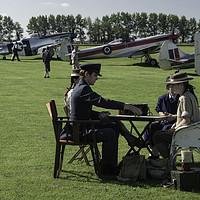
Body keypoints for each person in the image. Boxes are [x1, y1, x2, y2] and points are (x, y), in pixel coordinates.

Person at [67, 63, 142, 176]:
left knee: (113, 126)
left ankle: (109, 164)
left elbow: (83, 111)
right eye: (95, 75)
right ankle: (108, 169)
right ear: (87, 74)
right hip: (79, 131)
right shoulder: (83, 89)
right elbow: (103, 102)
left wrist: (98, 115)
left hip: (81, 126)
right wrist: (128, 107)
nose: (96, 78)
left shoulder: (80, 86)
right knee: (110, 133)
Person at [153, 72, 200, 159]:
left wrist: (174, 129)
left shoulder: (184, 98)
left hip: (186, 133)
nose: (172, 87)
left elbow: (187, 120)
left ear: (181, 85)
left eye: (174, 85)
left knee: (157, 136)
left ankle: (167, 160)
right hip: (194, 132)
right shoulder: (190, 95)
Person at [144, 76, 179, 159]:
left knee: (164, 131)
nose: (174, 88)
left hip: (174, 123)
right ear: (167, 87)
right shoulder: (162, 98)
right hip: (163, 121)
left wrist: (173, 116)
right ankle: (153, 151)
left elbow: (183, 113)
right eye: (171, 86)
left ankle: (166, 154)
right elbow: (158, 109)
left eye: (175, 86)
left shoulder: (180, 98)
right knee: (149, 127)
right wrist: (162, 115)